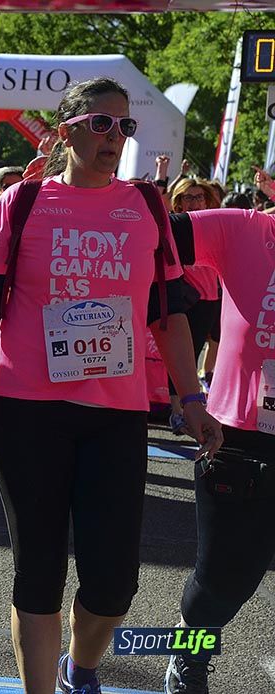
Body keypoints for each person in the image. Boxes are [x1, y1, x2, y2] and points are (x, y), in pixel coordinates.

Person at [0, 77, 223, 694]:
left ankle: (80, 666)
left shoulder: (146, 205)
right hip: (25, 408)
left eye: (124, 127)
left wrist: (192, 398)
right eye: (101, 124)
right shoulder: (22, 202)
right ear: (64, 132)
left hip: (115, 414)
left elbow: (169, 313)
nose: (114, 137)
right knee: (38, 569)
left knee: (114, 582)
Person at [161, 205, 275, 693]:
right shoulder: (244, 229)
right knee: (224, 579)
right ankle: (189, 653)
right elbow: (149, 231)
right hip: (239, 437)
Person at [165, 178, 221, 436]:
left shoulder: (216, 224)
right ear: (179, 202)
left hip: (211, 298)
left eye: (199, 197)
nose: (195, 201)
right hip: (186, 298)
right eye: (188, 197)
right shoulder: (173, 226)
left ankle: (192, 407)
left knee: (198, 350)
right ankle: (176, 411)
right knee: (181, 355)